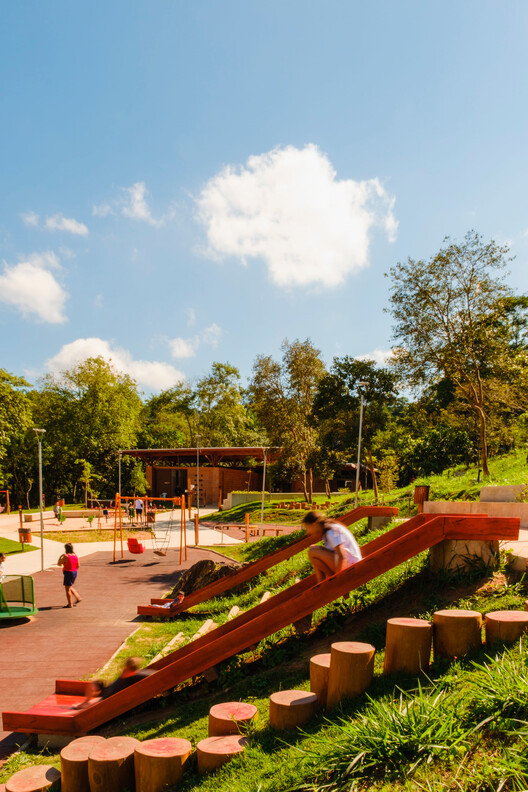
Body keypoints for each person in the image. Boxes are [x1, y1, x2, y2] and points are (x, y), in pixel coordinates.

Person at [302, 510, 362, 583]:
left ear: (315, 524)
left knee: (312, 551)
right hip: (348, 563)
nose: (308, 532)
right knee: (313, 549)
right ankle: (322, 584)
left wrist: (337, 577)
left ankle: (326, 583)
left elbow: (342, 555)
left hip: (351, 566)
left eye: (308, 528)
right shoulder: (328, 530)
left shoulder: (330, 532)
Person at [73, 657, 154, 708]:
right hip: (109, 687)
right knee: (94, 684)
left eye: (126, 667)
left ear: (130, 668)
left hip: (112, 694)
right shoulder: (126, 672)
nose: (124, 669)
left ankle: (87, 705)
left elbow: (152, 674)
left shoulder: (137, 675)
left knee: (99, 701)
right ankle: (85, 702)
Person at [57, 542, 81, 608]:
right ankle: (77, 597)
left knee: (67, 589)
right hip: (74, 572)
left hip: (68, 573)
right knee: (69, 586)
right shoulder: (75, 555)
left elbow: (59, 564)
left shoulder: (66, 556)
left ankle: (70, 604)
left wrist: (60, 556)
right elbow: (78, 565)